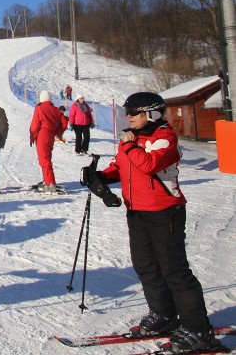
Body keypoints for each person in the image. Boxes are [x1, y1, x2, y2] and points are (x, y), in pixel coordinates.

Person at [81, 92, 221, 354]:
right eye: (128, 112)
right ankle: (164, 314)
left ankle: (197, 329)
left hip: (164, 212)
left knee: (174, 271)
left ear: (152, 113)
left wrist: (129, 146)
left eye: (134, 112)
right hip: (137, 212)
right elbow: (121, 167)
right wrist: (98, 176)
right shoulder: (132, 140)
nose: (129, 117)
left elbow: (148, 164)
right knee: (145, 266)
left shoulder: (165, 138)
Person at [29, 91, 64, 193]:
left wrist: (32, 136)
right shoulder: (56, 110)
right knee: (47, 157)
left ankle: (50, 183)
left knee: (44, 159)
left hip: (42, 135)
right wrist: (57, 132)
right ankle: (46, 180)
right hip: (50, 136)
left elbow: (35, 125)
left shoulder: (39, 108)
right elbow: (64, 122)